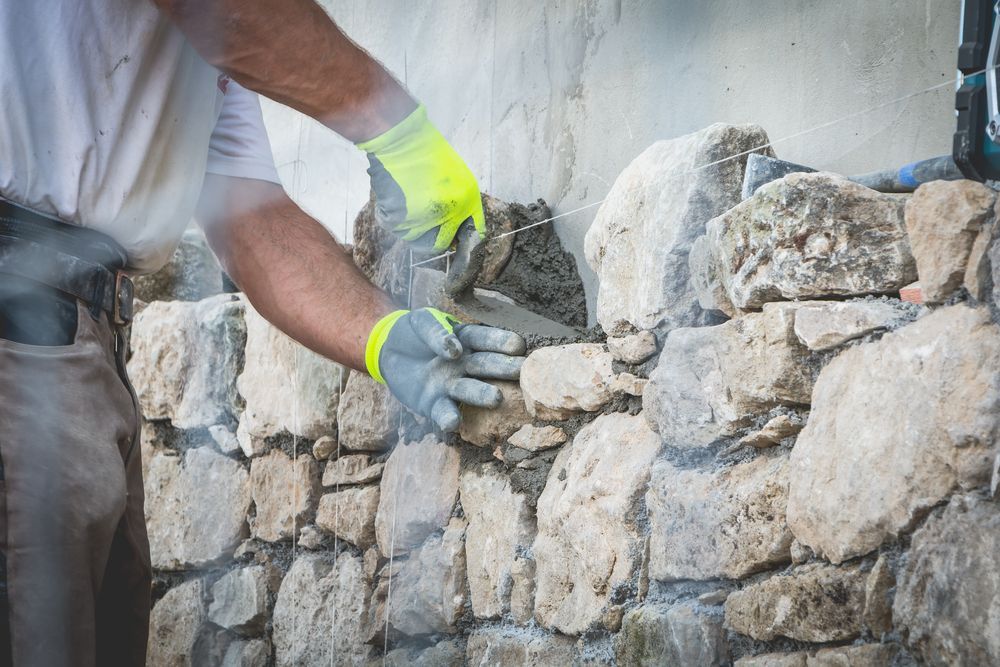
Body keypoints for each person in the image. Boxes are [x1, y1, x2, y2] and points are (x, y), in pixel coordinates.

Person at [0, 1, 526, 664]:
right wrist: (397, 128)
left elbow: (252, 218)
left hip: (81, 343)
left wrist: (383, 334)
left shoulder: (202, 69)